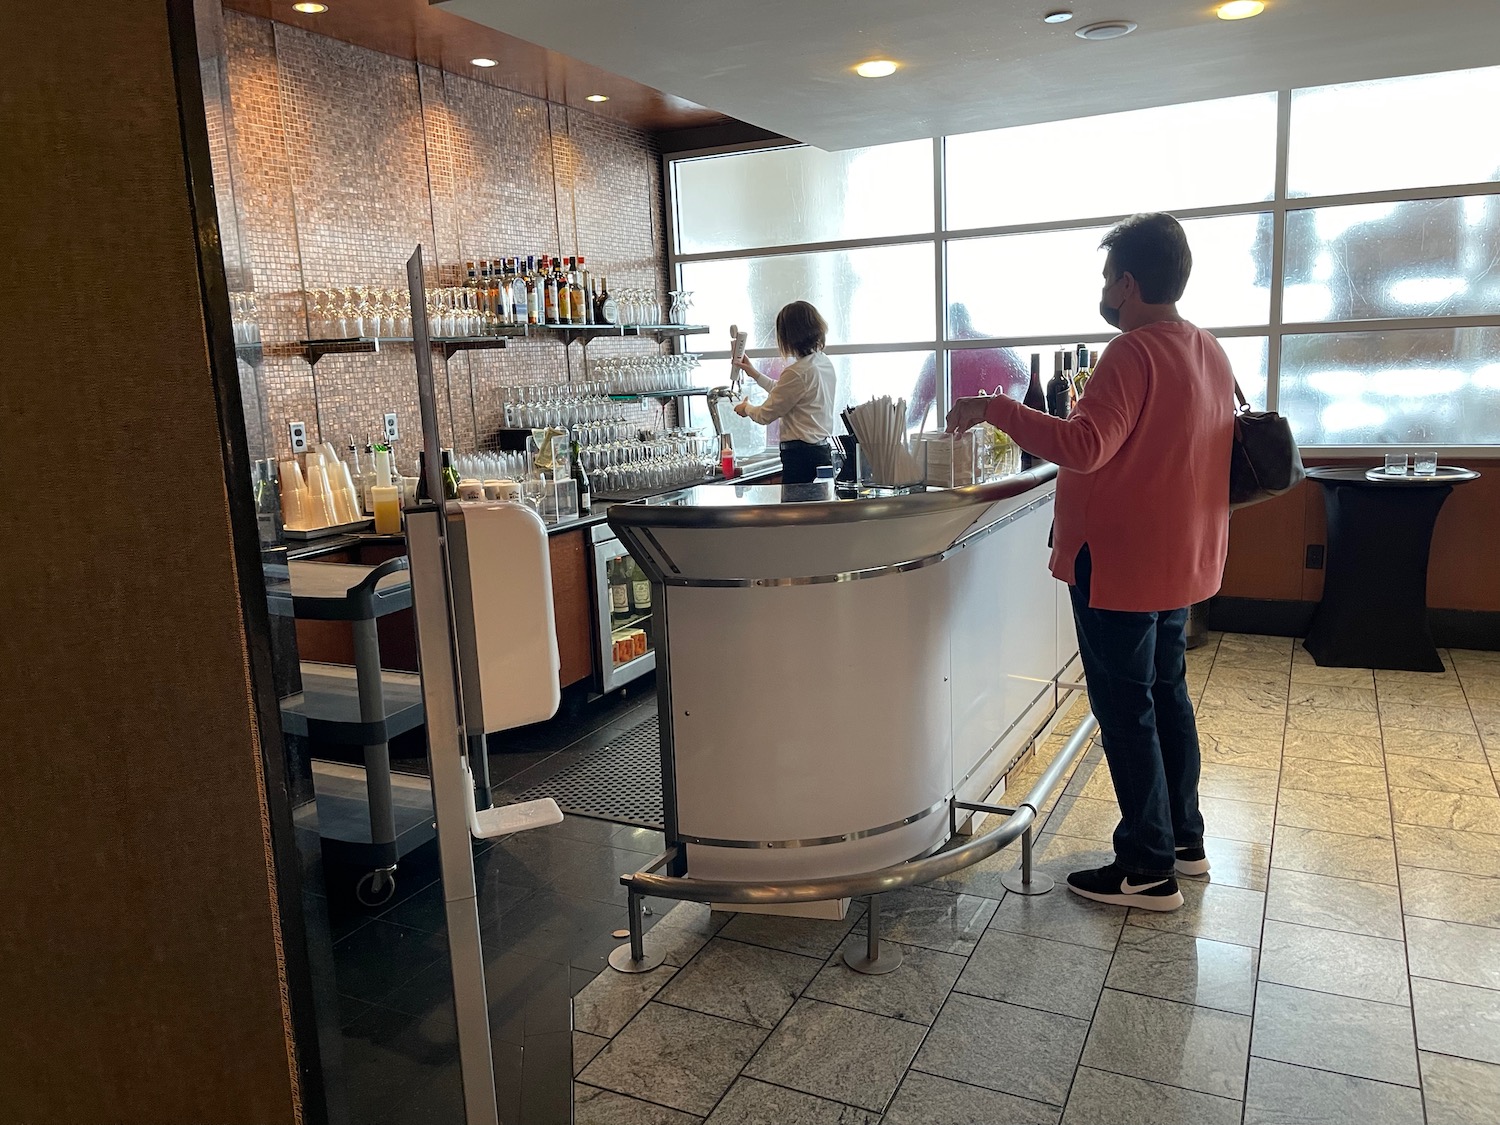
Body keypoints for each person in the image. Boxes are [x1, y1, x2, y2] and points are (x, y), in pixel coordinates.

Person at [945, 212, 1235, 912]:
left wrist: (994, 408)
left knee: (1125, 709)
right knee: (1165, 695)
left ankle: (1144, 865)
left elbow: (1084, 445)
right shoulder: (1207, 349)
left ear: (1129, 283)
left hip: (1122, 567)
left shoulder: (1132, 354)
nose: (1104, 291)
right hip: (1181, 564)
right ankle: (1183, 840)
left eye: (1108, 277)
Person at [733, 301, 840, 485]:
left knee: (796, 512)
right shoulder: (823, 362)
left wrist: (746, 408)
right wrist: (754, 374)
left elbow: (765, 415)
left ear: (788, 336)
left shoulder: (797, 372)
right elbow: (787, 393)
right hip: (822, 452)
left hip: (800, 458)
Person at [905, 303, 1030, 431]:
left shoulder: (937, 359)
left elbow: (916, 411)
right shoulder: (1000, 349)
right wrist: (1009, 409)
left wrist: (893, 421)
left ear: (949, 325)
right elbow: (1025, 381)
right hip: (1000, 433)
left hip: (961, 433)